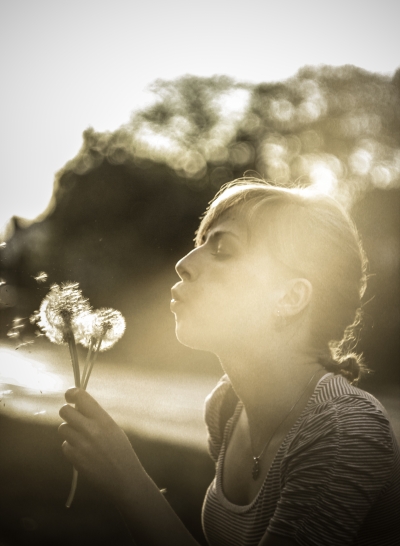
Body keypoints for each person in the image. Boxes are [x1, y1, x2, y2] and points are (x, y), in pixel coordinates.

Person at [58, 179, 400, 545]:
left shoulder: (343, 432)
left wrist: (127, 481)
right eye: (200, 243)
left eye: (222, 248)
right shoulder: (226, 407)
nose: (183, 264)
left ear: (290, 297)